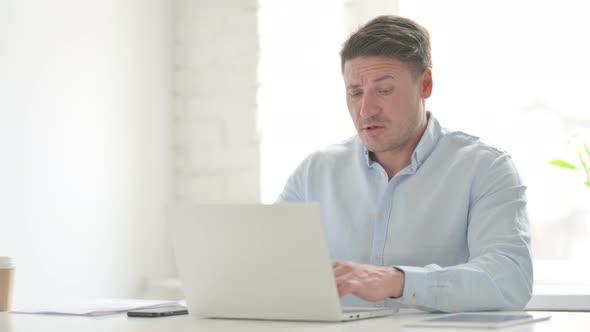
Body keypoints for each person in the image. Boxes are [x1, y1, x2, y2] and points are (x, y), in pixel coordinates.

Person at [277, 15, 533, 312]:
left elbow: (510, 280)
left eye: (384, 90)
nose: (366, 109)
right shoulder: (314, 172)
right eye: (355, 92)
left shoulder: (485, 168)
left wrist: (398, 281)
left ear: (425, 84)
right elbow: (265, 264)